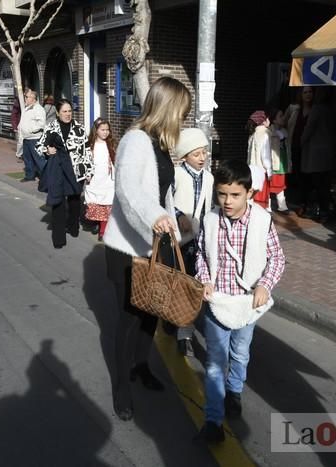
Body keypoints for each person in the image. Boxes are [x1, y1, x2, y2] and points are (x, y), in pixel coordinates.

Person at [102, 76, 191, 421]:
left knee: (151, 312)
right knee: (128, 320)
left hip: (156, 242)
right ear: (167, 108)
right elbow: (128, 191)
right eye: (180, 111)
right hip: (128, 248)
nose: (182, 119)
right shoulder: (136, 140)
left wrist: (174, 218)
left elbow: (160, 191)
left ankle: (141, 366)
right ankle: (121, 388)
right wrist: (156, 217)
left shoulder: (160, 143)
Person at [195, 159, 285, 443]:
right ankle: (212, 420)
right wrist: (204, 279)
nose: (227, 201)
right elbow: (200, 253)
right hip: (217, 303)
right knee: (214, 362)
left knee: (240, 353)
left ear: (249, 192)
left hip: (247, 303)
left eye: (235, 195)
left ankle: (234, 391)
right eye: (222, 194)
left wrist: (265, 285)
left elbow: (277, 259)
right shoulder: (210, 220)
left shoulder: (261, 220)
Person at [171, 127, 214, 357]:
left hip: (199, 242)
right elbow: (166, 202)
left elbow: (209, 208)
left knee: (194, 288)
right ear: (185, 155)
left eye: (204, 153)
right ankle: (181, 330)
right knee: (179, 285)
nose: (202, 158)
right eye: (196, 154)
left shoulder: (209, 178)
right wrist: (179, 216)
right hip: (178, 241)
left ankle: (184, 332)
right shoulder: (176, 174)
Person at [37, 98, 93, 237]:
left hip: (75, 170)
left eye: (70, 111)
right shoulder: (51, 127)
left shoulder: (79, 128)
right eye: (64, 111)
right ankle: (59, 235)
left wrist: (88, 171)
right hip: (58, 169)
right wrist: (47, 150)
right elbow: (38, 146)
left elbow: (86, 151)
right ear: (57, 112)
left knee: (74, 201)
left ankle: (73, 228)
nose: (68, 114)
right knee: (58, 201)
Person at [300, 87, 336, 223]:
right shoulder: (332, 110)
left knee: (317, 184)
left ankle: (321, 212)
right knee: (325, 185)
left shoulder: (317, 109)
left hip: (315, 154)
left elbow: (309, 128)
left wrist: (300, 141)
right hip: (328, 153)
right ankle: (326, 211)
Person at [84, 118, 116, 241]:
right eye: (102, 130)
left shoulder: (110, 144)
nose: (105, 132)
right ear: (96, 130)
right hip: (95, 178)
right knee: (95, 202)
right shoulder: (90, 145)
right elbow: (86, 160)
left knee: (107, 203)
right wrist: (87, 173)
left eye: (107, 130)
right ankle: (97, 223)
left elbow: (115, 159)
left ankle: (103, 230)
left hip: (108, 179)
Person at [286, 86, 313, 212]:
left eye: (310, 92)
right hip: (295, 145)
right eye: (305, 92)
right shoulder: (294, 109)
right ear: (301, 94)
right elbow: (283, 122)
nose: (308, 95)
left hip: (309, 148)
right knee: (296, 172)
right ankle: (297, 200)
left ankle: (304, 201)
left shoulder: (314, 110)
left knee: (307, 174)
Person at [18, 90, 46, 182]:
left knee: (39, 159)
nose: (25, 98)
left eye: (27, 97)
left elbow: (41, 123)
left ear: (33, 99)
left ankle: (45, 178)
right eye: (25, 96)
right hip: (26, 138)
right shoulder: (27, 108)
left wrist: (31, 130)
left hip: (35, 138)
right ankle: (30, 176)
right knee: (28, 158)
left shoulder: (38, 108)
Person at [246, 110, 272, 211]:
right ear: (264, 121)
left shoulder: (252, 135)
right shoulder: (264, 134)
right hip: (261, 170)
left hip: (252, 169)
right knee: (261, 195)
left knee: (253, 194)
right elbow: (265, 155)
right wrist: (269, 170)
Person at [269, 109, 291, 214]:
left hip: (282, 161)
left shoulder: (284, 132)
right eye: (280, 116)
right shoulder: (270, 132)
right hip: (273, 162)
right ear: (273, 120)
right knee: (270, 184)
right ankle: (266, 206)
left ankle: (282, 206)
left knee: (280, 184)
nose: (283, 118)